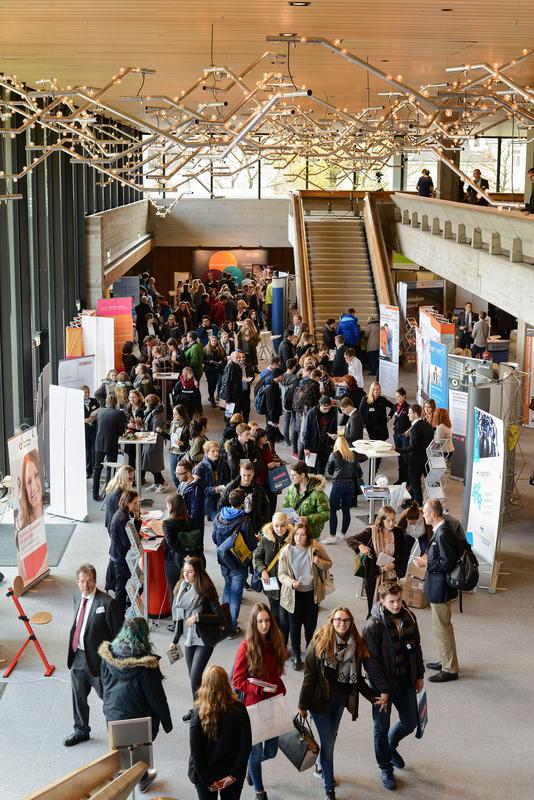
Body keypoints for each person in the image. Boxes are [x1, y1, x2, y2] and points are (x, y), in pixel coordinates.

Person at [298, 607, 376, 800]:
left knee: (331, 737)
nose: (342, 624)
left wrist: (374, 698)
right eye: (338, 620)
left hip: (340, 702)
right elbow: (310, 676)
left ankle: (321, 767)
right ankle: (329, 788)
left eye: (346, 620)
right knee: (329, 743)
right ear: (331, 621)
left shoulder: (355, 644)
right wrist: (303, 704)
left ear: (351, 622)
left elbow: (357, 679)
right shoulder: (319, 642)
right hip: (319, 702)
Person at [362, 581, 425, 791]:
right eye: (392, 601)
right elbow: (371, 662)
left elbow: (416, 647)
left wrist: (419, 675)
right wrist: (384, 690)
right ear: (381, 601)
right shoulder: (372, 626)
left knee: (410, 722)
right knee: (381, 728)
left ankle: (391, 745)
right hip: (382, 688)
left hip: (405, 680)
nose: (397, 605)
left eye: (398, 600)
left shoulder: (409, 616)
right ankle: (385, 767)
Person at [99, 616, 172, 794]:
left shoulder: (107, 657)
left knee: (121, 749)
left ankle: (125, 778)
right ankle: (142, 780)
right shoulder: (147, 665)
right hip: (138, 719)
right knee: (140, 752)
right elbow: (156, 698)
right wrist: (167, 723)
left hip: (113, 713)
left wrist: (110, 704)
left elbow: (103, 685)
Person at [64, 564, 123, 747]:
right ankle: (81, 730)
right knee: (78, 696)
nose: (86, 585)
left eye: (89, 581)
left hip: (100, 662)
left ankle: (118, 735)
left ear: (95, 581)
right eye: (82, 581)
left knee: (109, 701)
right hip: (78, 657)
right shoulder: (76, 597)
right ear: (77, 582)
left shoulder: (107, 603)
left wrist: (115, 665)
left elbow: (118, 636)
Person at [232, 603, 287, 800]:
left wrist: (279, 687)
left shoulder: (275, 641)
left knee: (271, 752)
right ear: (254, 623)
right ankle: (259, 791)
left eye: (267, 621)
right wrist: (258, 688)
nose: (264, 625)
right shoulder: (246, 646)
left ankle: (251, 767)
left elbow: (276, 671)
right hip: (253, 705)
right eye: (260, 621)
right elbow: (237, 680)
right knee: (255, 753)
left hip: (273, 703)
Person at [170, 557, 223, 720]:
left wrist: (198, 616)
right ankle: (199, 708)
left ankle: (200, 711)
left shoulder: (205, 589)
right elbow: (178, 618)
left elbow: (219, 616)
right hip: (188, 638)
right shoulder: (181, 588)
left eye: (190, 572)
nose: (186, 574)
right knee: (193, 678)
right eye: (184, 571)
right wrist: (175, 639)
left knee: (195, 677)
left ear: (197, 573)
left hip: (203, 638)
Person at [189, 665, 252, 800]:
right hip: (231, 772)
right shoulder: (239, 710)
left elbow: (196, 753)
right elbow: (245, 748)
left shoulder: (197, 713)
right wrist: (232, 776)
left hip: (205, 774)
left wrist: (207, 781)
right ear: (226, 683)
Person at [415, 500, 460, 683]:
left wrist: (427, 562)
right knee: (441, 627)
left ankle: (450, 669)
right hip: (438, 586)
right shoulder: (441, 531)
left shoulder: (442, 533)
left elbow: (447, 563)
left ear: (433, 514)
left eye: (425, 513)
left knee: (442, 629)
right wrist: (429, 557)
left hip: (441, 587)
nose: (423, 515)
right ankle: (445, 660)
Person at [278, 524, 332, 670]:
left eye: (302, 535)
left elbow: (329, 564)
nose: (299, 537)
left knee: (310, 626)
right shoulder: (286, 551)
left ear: (307, 536)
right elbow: (281, 574)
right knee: (294, 626)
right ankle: (296, 654)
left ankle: (309, 651)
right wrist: (291, 582)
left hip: (311, 594)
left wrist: (318, 562)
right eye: (296, 534)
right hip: (293, 594)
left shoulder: (315, 547)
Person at [212, 488, 257, 637]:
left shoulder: (219, 517)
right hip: (239, 563)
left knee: (227, 588)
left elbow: (213, 537)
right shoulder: (244, 521)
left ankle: (223, 622)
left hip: (224, 560)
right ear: (243, 502)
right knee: (236, 594)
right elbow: (251, 545)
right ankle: (231, 626)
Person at [346, 505, 404, 615]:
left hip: (391, 576)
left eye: (393, 520)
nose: (392, 523)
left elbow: (403, 555)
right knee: (373, 609)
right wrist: (360, 546)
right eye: (388, 520)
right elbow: (350, 540)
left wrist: (394, 564)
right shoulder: (371, 532)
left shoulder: (398, 533)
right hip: (374, 576)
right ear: (381, 520)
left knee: (390, 607)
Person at [254, 513, 294, 645]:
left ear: (287, 525)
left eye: (283, 526)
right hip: (271, 582)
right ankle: (274, 641)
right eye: (276, 526)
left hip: (286, 583)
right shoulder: (266, 539)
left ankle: (282, 644)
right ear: (272, 525)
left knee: (283, 617)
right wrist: (263, 570)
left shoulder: (292, 539)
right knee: (274, 614)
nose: (279, 529)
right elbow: (258, 557)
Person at [108, 490, 141, 616]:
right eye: (134, 503)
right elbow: (128, 542)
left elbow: (133, 533)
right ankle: (121, 612)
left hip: (118, 556)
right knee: (133, 585)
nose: (136, 505)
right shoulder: (122, 518)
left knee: (121, 587)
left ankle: (119, 613)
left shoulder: (124, 514)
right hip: (121, 558)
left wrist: (137, 517)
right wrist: (137, 541)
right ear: (127, 502)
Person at [163, 493, 203, 597]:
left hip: (173, 561)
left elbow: (170, 542)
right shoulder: (190, 521)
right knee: (190, 591)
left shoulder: (168, 523)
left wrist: (183, 554)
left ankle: (176, 613)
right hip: (190, 561)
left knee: (175, 592)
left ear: (171, 506)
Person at [218, 460, 271, 536]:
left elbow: (266, 507)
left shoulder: (258, 489)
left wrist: (265, 526)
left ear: (253, 474)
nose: (246, 478)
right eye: (244, 475)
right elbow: (221, 506)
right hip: (235, 527)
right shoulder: (231, 488)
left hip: (253, 525)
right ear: (240, 473)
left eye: (249, 475)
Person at [324, 436, 359, 544]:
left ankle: (332, 535)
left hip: (338, 485)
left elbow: (329, 471)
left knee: (332, 510)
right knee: (346, 510)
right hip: (351, 485)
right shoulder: (352, 455)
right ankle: (343, 533)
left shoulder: (334, 455)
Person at [283, 460, 330, 541]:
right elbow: (286, 504)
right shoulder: (292, 488)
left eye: (294, 475)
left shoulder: (318, 493)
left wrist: (308, 519)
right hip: (295, 532)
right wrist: (288, 515)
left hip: (311, 535)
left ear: (302, 475)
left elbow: (326, 514)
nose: (291, 477)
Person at [92, 395, 127, 501]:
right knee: (110, 469)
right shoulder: (119, 413)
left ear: (106, 403)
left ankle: (95, 494)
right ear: (116, 403)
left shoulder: (100, 412)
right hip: (111, 444)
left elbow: (98, 427)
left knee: (97, 468)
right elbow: (121, 431)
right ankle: (108, 494)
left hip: (99, 442)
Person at [399, 404, 434, 505]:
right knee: (418, 485)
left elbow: (412, 447)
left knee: (415, 485)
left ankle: (417, 506)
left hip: (415, 461)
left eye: (410, 413)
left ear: (415, 414)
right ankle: (413, 502)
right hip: (426, 459)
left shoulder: (414, 428)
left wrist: (398, 449)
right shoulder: (428, 425)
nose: (408, 415)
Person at [302, 395, 338, 475]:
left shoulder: (333, 413)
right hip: (313, 445)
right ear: (320, 405)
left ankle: (320, 484)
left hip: (325, 445)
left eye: (329, 408)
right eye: (325, 408)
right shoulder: (312, 413)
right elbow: (306, 431)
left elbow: (334, 429)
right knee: (311, 469)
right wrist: (306, 447)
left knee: (322, 468)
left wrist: (333, 444)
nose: (327, 410)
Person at [193, 440, 228, 522]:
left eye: (217, 451)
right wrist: (215, 489)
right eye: (213, 451)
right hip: (206, 501)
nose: (216, 453)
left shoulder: (222, 463)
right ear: (206, 453)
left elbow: (227, 479)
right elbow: (199, 489)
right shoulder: (200, 468)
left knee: (219, 523)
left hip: (219, 499)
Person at [396, 501, 431, 578]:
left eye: (413, 523)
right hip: (409, 534)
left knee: (424, 552)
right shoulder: (405, 515)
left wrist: (426, 552)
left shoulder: (425, 517)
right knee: (404, 552)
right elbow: (397, 529)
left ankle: (420, 576)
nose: (411, 524)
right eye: (410, 523)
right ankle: (400, 574)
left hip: (423, 534)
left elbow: (431, 536)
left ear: (419, 518)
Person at [141, 393, 168, 491]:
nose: (145, 404)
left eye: (146, 402)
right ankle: (158, 483)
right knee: (151, 462)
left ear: (150, 403)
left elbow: (155, 430)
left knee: (152, 462)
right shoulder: (153, 412)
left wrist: (143, 431)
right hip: (150, 440)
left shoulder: (157, 414)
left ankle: (162, 483)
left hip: (154, 441)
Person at [219, 350, 254, 422]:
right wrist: (228, 400)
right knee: (230, 417)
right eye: (237, 357)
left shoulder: (237, 366)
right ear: (232, 358)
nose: (239, 359)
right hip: (232, 398)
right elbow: (226, 384)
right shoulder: (230, 367)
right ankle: (229, 431)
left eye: (240, 357)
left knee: (239, 414)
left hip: (239, 395)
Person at [176, 459, 205, 534]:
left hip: (192, 528)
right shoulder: (182, 483)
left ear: (188, 473)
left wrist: (187, 528)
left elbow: (195, 514)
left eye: (179, 474)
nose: (177, 476)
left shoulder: (196, 490)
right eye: (176, 473)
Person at [17, 449, 44, 529]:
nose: (34, 487)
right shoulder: (23, 526)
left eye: (36, 475)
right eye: (28, 482)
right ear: (25, 489)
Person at [168, 405, 191, 488]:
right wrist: (161, 432)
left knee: (184, 476)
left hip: (183, 453)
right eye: (173, 414)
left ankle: (184, 492)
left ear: (182, 414)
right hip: (173, 451)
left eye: (176, 414)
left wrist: (183, 443)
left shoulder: (188, 425)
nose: (173, 416)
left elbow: (192, 442)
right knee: (175, 476)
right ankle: (180, 491)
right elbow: (170, 437)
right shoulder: (173, 423)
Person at [392, 387, 410, 484]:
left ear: (404, 396)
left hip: (404, 437)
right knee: (399, 457)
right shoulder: (395, 406)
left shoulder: (408, 408)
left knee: (405, 458)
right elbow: (396, 418)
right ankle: (401, 479)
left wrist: (408, 431)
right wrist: (394, 426)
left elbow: (412, 422)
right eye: (396, 397)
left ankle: (407, 480)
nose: (397, 398)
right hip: (397, 435)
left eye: (399, 396)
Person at [82, 385, 100, 478]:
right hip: (84, 430)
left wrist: (94, 418)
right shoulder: (76, 403)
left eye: (88, 392)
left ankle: (94, 470)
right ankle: (88, 471)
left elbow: (99, 412)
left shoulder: (94, 401)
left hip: (93, 428)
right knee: (87, 451)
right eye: (85, 392)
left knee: (94, 450)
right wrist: (84, 420)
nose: (87, 394)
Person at [204, 335, 227, 407]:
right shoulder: (205, 349)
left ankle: (211, 396)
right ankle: (212, 398)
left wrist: (221, 361)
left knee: (215, 383)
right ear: (210, 341)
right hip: (209, 369)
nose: (214, 342)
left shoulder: (220, 349)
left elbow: (225, 358)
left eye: (215, 341)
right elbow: (203, 360)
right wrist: (209, 362)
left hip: (217, 369)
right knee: (211, 384)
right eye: (212, 341)